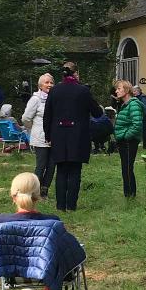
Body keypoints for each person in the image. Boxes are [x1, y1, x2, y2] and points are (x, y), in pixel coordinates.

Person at [42, 62, 102, 211]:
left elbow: (47, 115)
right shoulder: (83, 91)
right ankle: (71, 205)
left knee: (61, 170)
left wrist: (48, 135)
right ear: (76, 74)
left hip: (58, 135)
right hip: (78, 136)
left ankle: (60, 205)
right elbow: (97, 113)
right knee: (75, 170)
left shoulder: (54, 91)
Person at [23, 73, 56, 197]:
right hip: (40, 138)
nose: (49, 85)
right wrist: (33, 128)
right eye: (46, 82)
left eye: (51, 82)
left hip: (54, 137)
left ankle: (44, 190)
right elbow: (26, 118)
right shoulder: (35, 99)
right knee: (41, 165)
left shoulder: (55, 98)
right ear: (40, 85)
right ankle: (35, 192)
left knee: (52, 166)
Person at [114, 80, 144, 199]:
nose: (116, 91)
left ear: (126, 90)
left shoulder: (133, 104)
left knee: (127, 168)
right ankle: (128, 194)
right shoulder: (125, 104)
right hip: (124, 141)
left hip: (128, 141)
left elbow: (137, 124)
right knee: (125, 168)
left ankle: (130, 195)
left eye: (119, 88)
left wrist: (125, 136)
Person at [131, 85, 146, 150]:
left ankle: (145, 146)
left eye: (134, 91)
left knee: (144, 131)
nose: (133, 93)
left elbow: (144, 108)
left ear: (138, 91)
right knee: (141, 131)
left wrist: (140, 116)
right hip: (143, 116)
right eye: (133, 91)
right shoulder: (138, 97)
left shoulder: (143, 97)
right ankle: (141, 145)